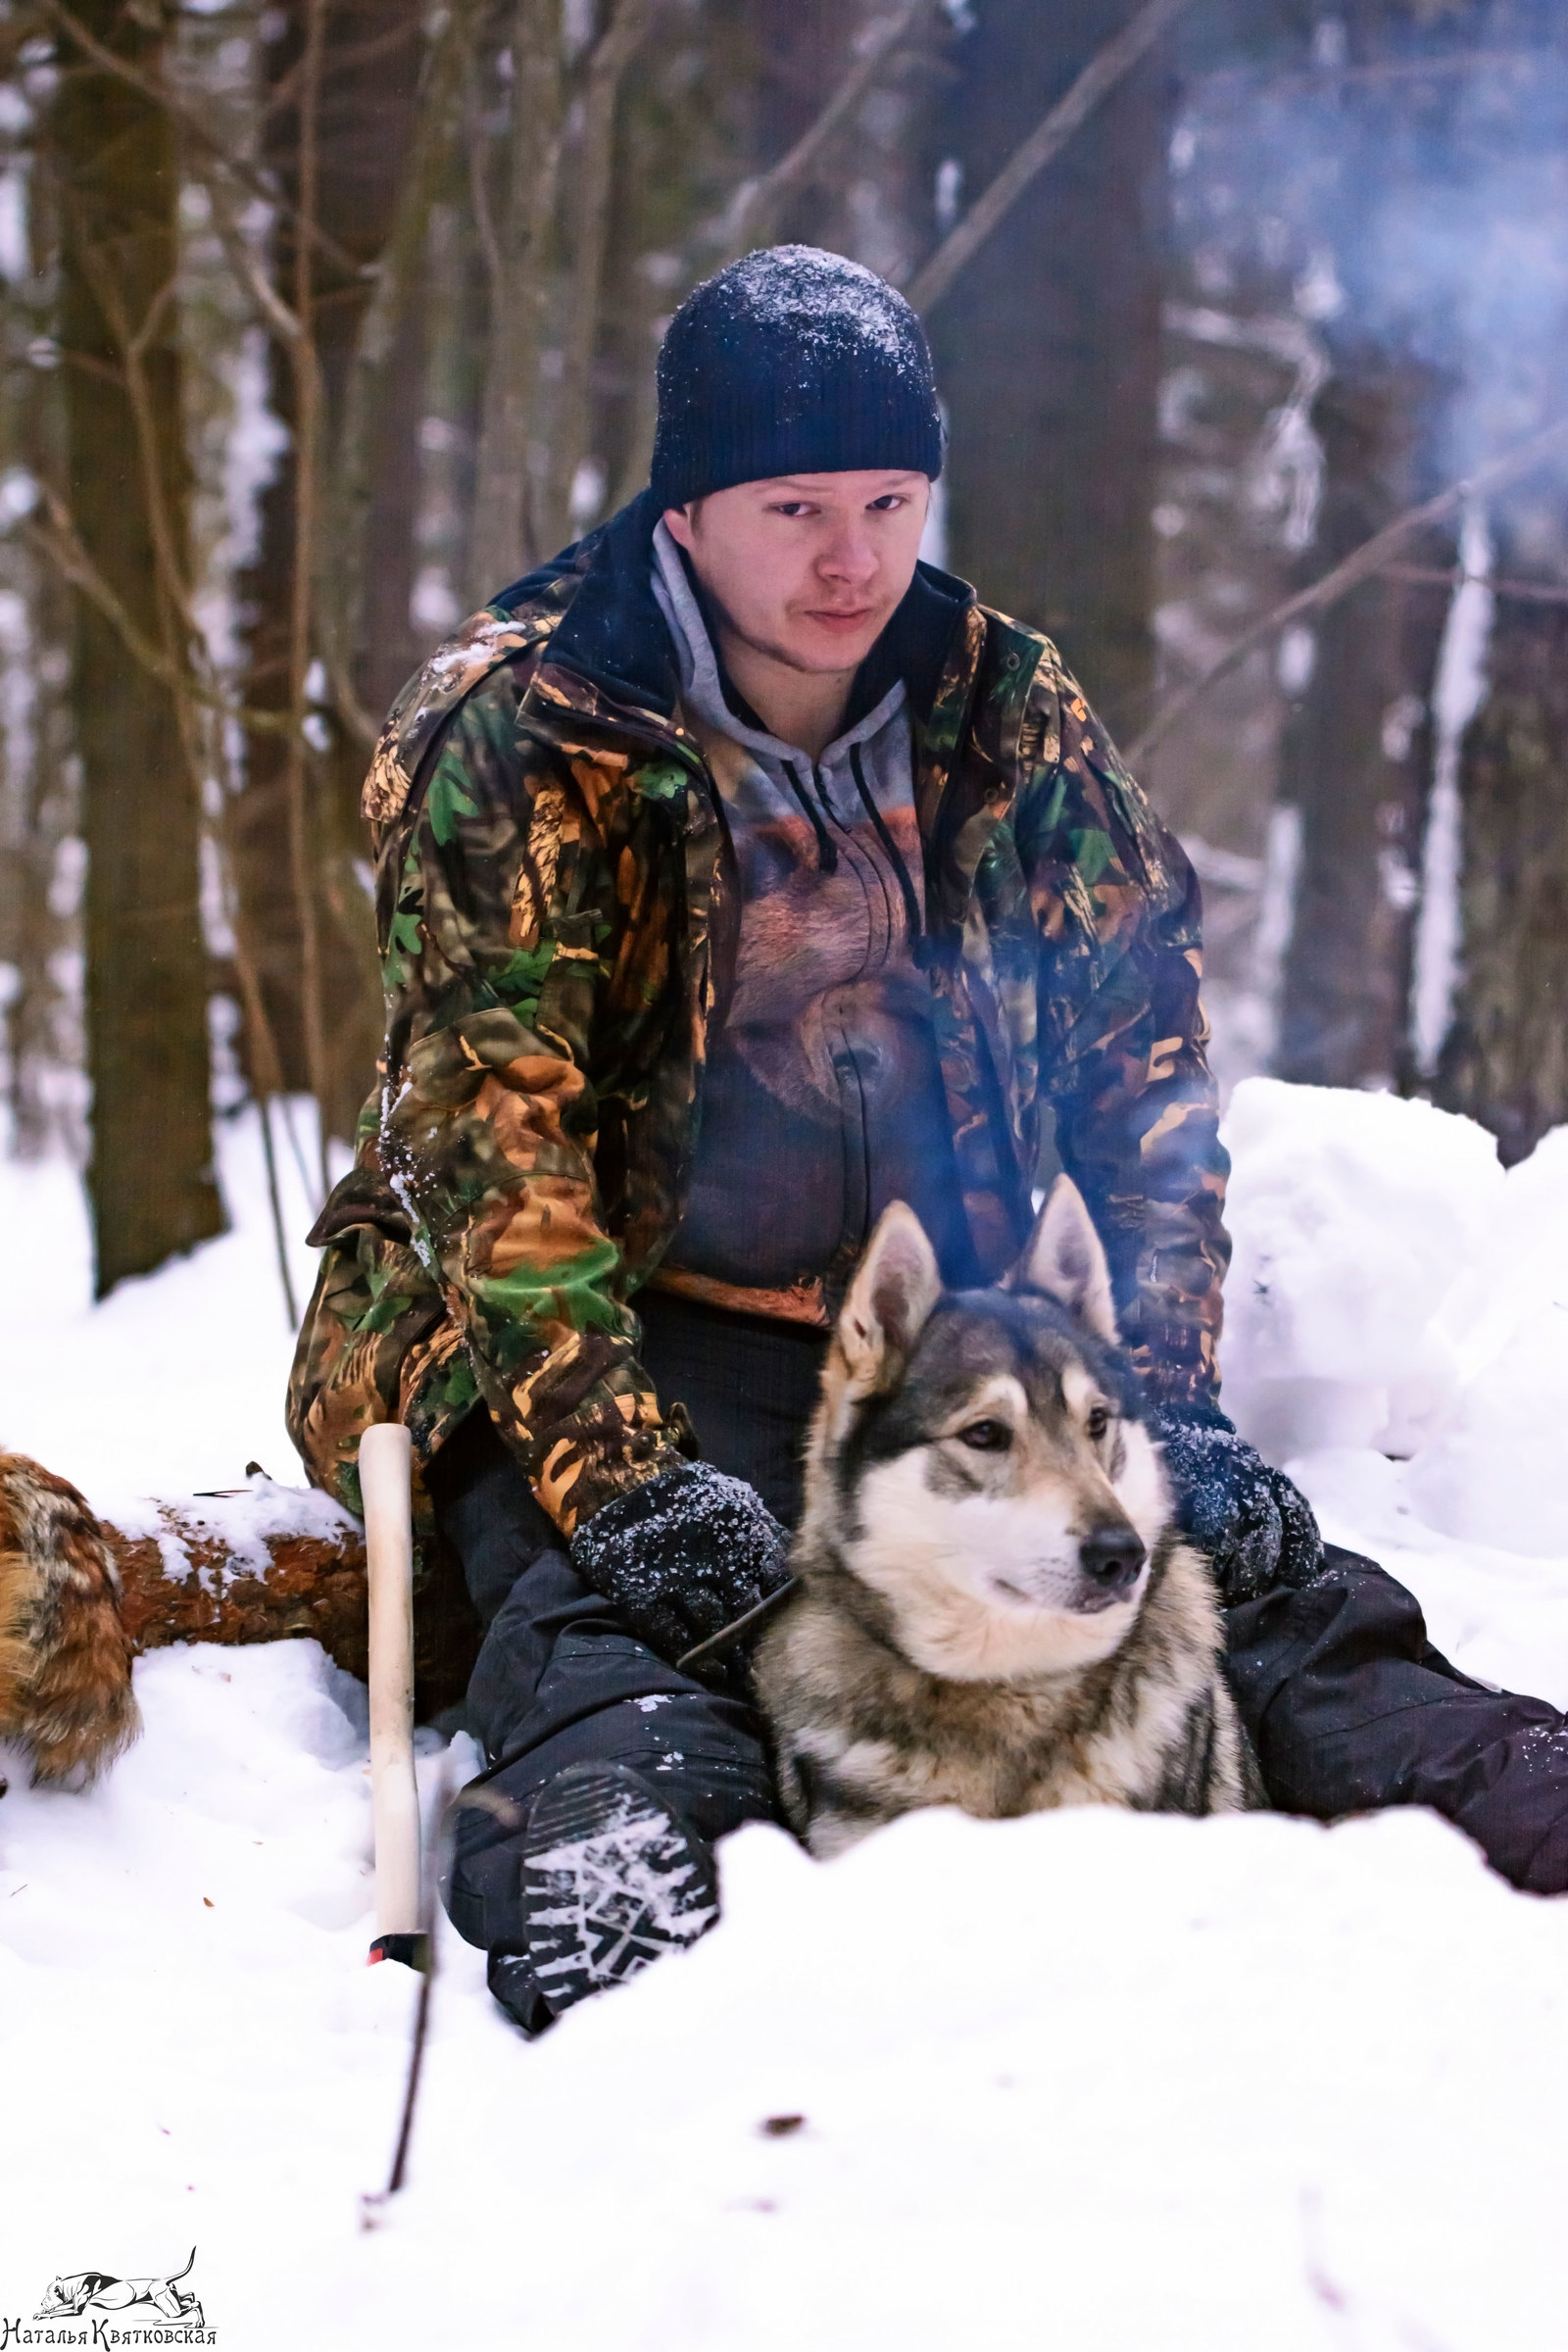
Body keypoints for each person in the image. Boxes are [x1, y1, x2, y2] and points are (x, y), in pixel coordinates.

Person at [288, 245, 1568, 2034]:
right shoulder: (533, 728)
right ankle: (621, 1906)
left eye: (891, 502)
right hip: (601, 1327)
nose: (851, 558)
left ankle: (1509, 1808)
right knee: (627, 1625)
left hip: (954, 1337)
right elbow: (496, 1144)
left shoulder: (1002, 708)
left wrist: (1165, 1403)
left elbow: (1146, 1083)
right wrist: (624, 1478)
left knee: (1245, 1597)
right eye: (795, 504)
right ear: (690, 503)